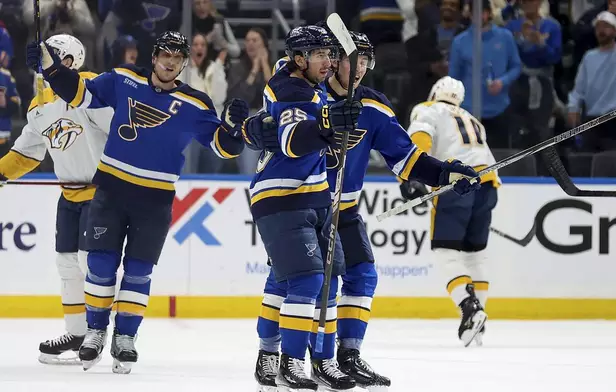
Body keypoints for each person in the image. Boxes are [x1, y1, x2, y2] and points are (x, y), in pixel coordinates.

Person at [247, 31, 482, 391]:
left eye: (366, 62)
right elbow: (275, 111)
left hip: (345, 208)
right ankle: (271, 352)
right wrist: (253, 128)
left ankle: (342, 357)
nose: (359, 69)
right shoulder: (306, 88)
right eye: (351, 59)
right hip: (298, 200)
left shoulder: (372, 106)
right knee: (292, 278)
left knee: (361, 275)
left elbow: (407, 157)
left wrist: (444, 172)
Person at [26, 30, 249, 373]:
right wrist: (52, 69)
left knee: (138, 271)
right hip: (111, 191)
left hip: (155, 199)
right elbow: (80, 93)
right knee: (100, 264)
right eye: (165, 55)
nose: (170, 62)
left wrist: (236, 130)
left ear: (184, 62)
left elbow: (223, 147)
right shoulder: (123, 79)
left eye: (177, 58)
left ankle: (126, 337)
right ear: (154, 55)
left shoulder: (196, 103)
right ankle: (96, 333)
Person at [247, 24, 361, 391]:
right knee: (308, 279)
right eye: (321, 55)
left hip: (314, 195)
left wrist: (333, 134)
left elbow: (320, 148)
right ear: (299, 59)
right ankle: (289, 361)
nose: (329, 61)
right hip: (281, 196)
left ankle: (320, 359)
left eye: (331, 54)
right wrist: (327, 126)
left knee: (321, 282)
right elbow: (294, 142)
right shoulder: (291, 89)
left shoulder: (311, 89)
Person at [0, 34, 112, 365]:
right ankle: (76, 332)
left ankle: (96, 332)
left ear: (69, 60)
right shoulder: (40, 105)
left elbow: (109, 118)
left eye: (50, 57)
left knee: (87, 262)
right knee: (66, 265)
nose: (42, 64)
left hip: (100, 193)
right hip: (69, 195)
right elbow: (25, 153)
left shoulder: (91, 87)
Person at [404, 76, 500, 346]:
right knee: (475, 255)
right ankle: (478, 324)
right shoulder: (473, 118)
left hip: (457, 185)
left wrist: (412, 177)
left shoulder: (428, 108)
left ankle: (470, 309)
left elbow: (420, 138)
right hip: (489, 184)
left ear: (435, 92)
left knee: (445, 251)